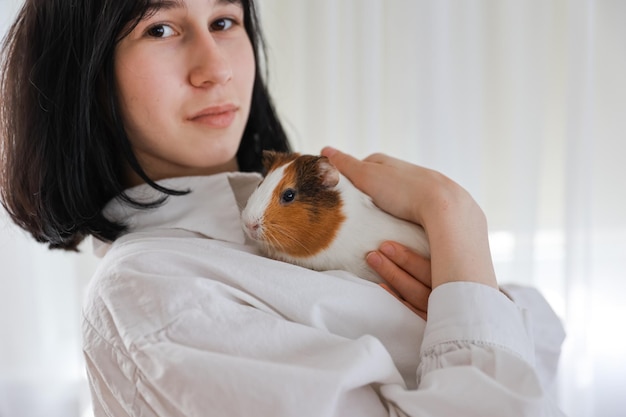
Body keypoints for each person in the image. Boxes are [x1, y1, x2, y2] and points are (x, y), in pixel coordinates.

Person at [0, 0, 566, 416]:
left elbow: (544, 331)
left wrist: (472, 306)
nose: (215, 67)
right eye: (161, 28)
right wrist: (454, 221)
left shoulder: (291, 223)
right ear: (85, 75)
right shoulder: (154, 290)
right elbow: (524, 370)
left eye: (225, 22)